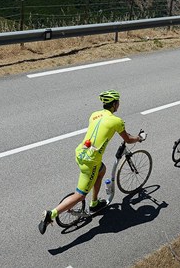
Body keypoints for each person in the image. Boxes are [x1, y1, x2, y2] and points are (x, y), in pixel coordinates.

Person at [38, 89, 146, 234]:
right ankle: (51, 214)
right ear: (115, 104)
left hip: (80, 152)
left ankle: (94, 203)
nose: (119, 104)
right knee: (80, 194)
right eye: (118, 102)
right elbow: (128, 139)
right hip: (91, 161)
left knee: (102, 171)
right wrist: (139, 138)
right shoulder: (117, 121)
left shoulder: (94, 115)